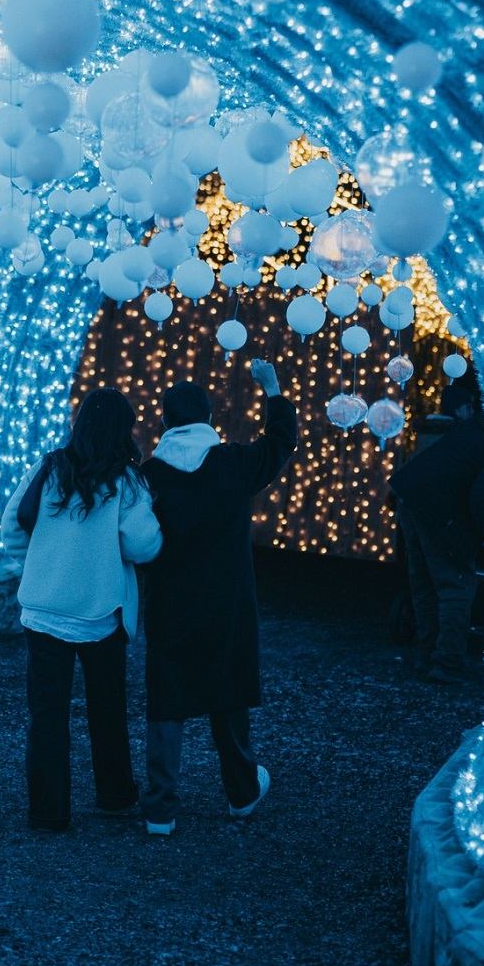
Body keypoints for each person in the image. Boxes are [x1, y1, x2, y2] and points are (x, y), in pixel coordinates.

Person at [138, 358, 298, 836]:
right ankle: (242, 791)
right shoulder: (233, 463)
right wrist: (272, 389)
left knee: (166, 697)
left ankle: (160, 809)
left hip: (170, 601)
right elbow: (279, 443)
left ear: (165, 421)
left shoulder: (151, 475)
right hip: (227, 601)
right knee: (227, 692)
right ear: (208, 419)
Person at [0, 387, 162, 833]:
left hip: (43, 609)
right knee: (106, 708)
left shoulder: (50, 467)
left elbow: (13, 525)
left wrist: (39, 563)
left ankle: (48, 812)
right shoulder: (126, 482)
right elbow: (144, 546)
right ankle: (114, 795)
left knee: (46, 716)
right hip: (100, 612)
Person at [388, 366, 484, 685]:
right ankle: (448, 662)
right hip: (439, 508)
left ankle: (424, 654)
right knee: (456, 585)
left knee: (425, 582)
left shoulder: (472, 429)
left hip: (411, 497)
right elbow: (483, 497)